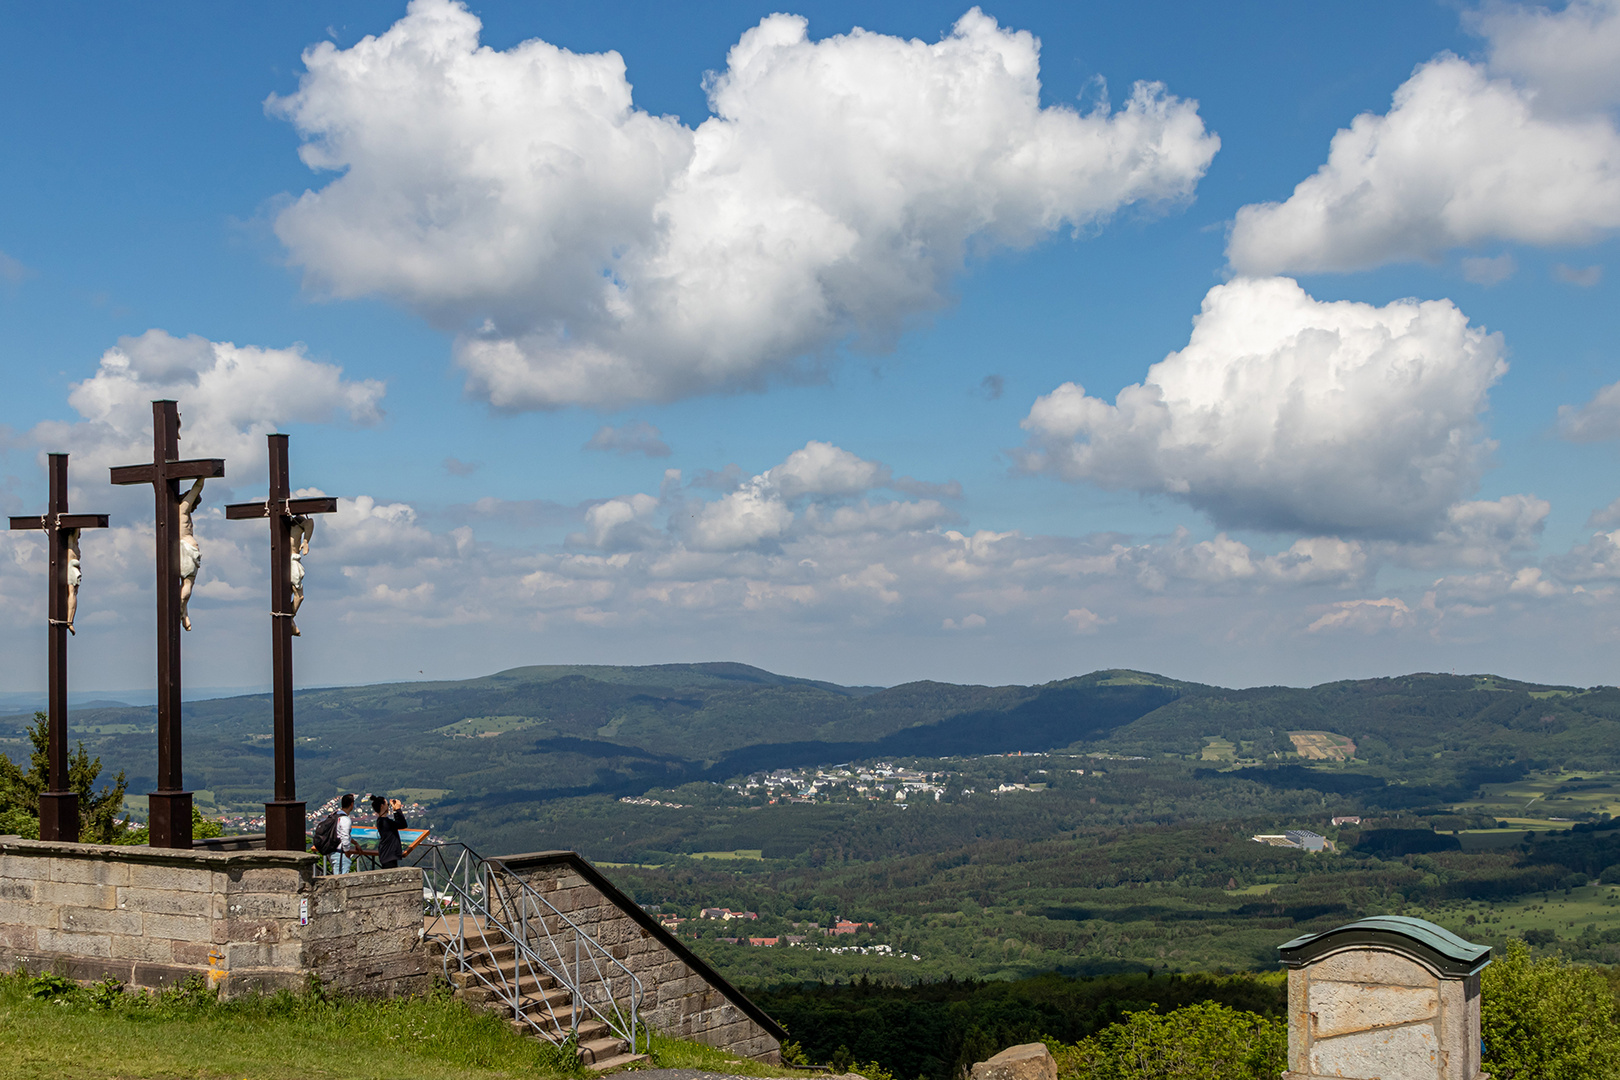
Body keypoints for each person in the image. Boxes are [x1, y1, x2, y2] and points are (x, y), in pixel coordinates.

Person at [177, 476, 204, 631]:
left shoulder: (170, 512)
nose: (195, 509)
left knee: (181, 585)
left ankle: (184, 614)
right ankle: (180, 609)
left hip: (175, 549)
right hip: (188, 548)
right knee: (188, 583)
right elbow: (197, 488)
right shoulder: (183, 509)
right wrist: (203, 475)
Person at [288, 515, 313, 637]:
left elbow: (309, 522)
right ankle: (289, 620)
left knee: (296, 595)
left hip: (291, 562)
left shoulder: (297, 522)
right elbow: (309, 522)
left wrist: (305, 541)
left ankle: (290, 620)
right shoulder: (290, 523)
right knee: (298, 595)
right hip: (287, 562)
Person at [373, 795, 408, 869]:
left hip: (386, 854)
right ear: (382, 806)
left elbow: (397, 823)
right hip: (390, 855)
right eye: (387, 804)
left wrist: (395, 811)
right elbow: (403, 824)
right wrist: (398, 809)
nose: (388, 806)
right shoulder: (386, 822)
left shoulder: (381, 821)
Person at [333, 793, 358, 874]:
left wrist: (355, 843)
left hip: (333, 851)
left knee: (336, 875)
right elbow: (345, 837)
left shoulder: (335, 816)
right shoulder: (345, 819)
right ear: (351, 804)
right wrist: (347, 852)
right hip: (341, 853)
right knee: (342, 877)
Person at [64, 528, 81, 636]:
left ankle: (70, 620)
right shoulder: (72, 540)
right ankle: (70, 621)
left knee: (73, 594)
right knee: (72, 594)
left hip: (73, 567)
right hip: (72, 567)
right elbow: (76, 526)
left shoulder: (74, 543)